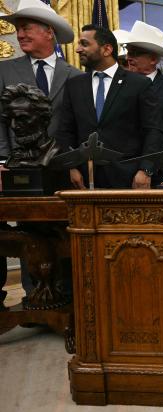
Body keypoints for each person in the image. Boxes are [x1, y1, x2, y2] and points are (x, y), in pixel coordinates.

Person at [0, 0, 81, 296]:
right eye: (17, 30)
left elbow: (75, 125)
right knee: (29, 233)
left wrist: (74, 163)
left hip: (60, 168)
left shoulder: (73, 75)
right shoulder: (5, 71)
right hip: (19, 169)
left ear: (49, 32)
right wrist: (1, 159)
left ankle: (65, 295)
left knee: (62, 231)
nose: (19, 35)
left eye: (26, 28)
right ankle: (34, 296)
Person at [56, 25, 163, 189]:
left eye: (84, 44)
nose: (77, 49)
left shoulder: (138, 84)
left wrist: (146, 169)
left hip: (128, 177)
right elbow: (65, 130)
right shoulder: (74, 85)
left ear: (106, 49)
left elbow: (153, 130)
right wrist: (72, 167)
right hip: (84, 178)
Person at [117, 21, 163, 184]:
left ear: (153, 59)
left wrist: (148, 168)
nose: (128, 58)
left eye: (135, 53)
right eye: (128, 51)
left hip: (155, 173)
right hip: (118, 170)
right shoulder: (118, 84)